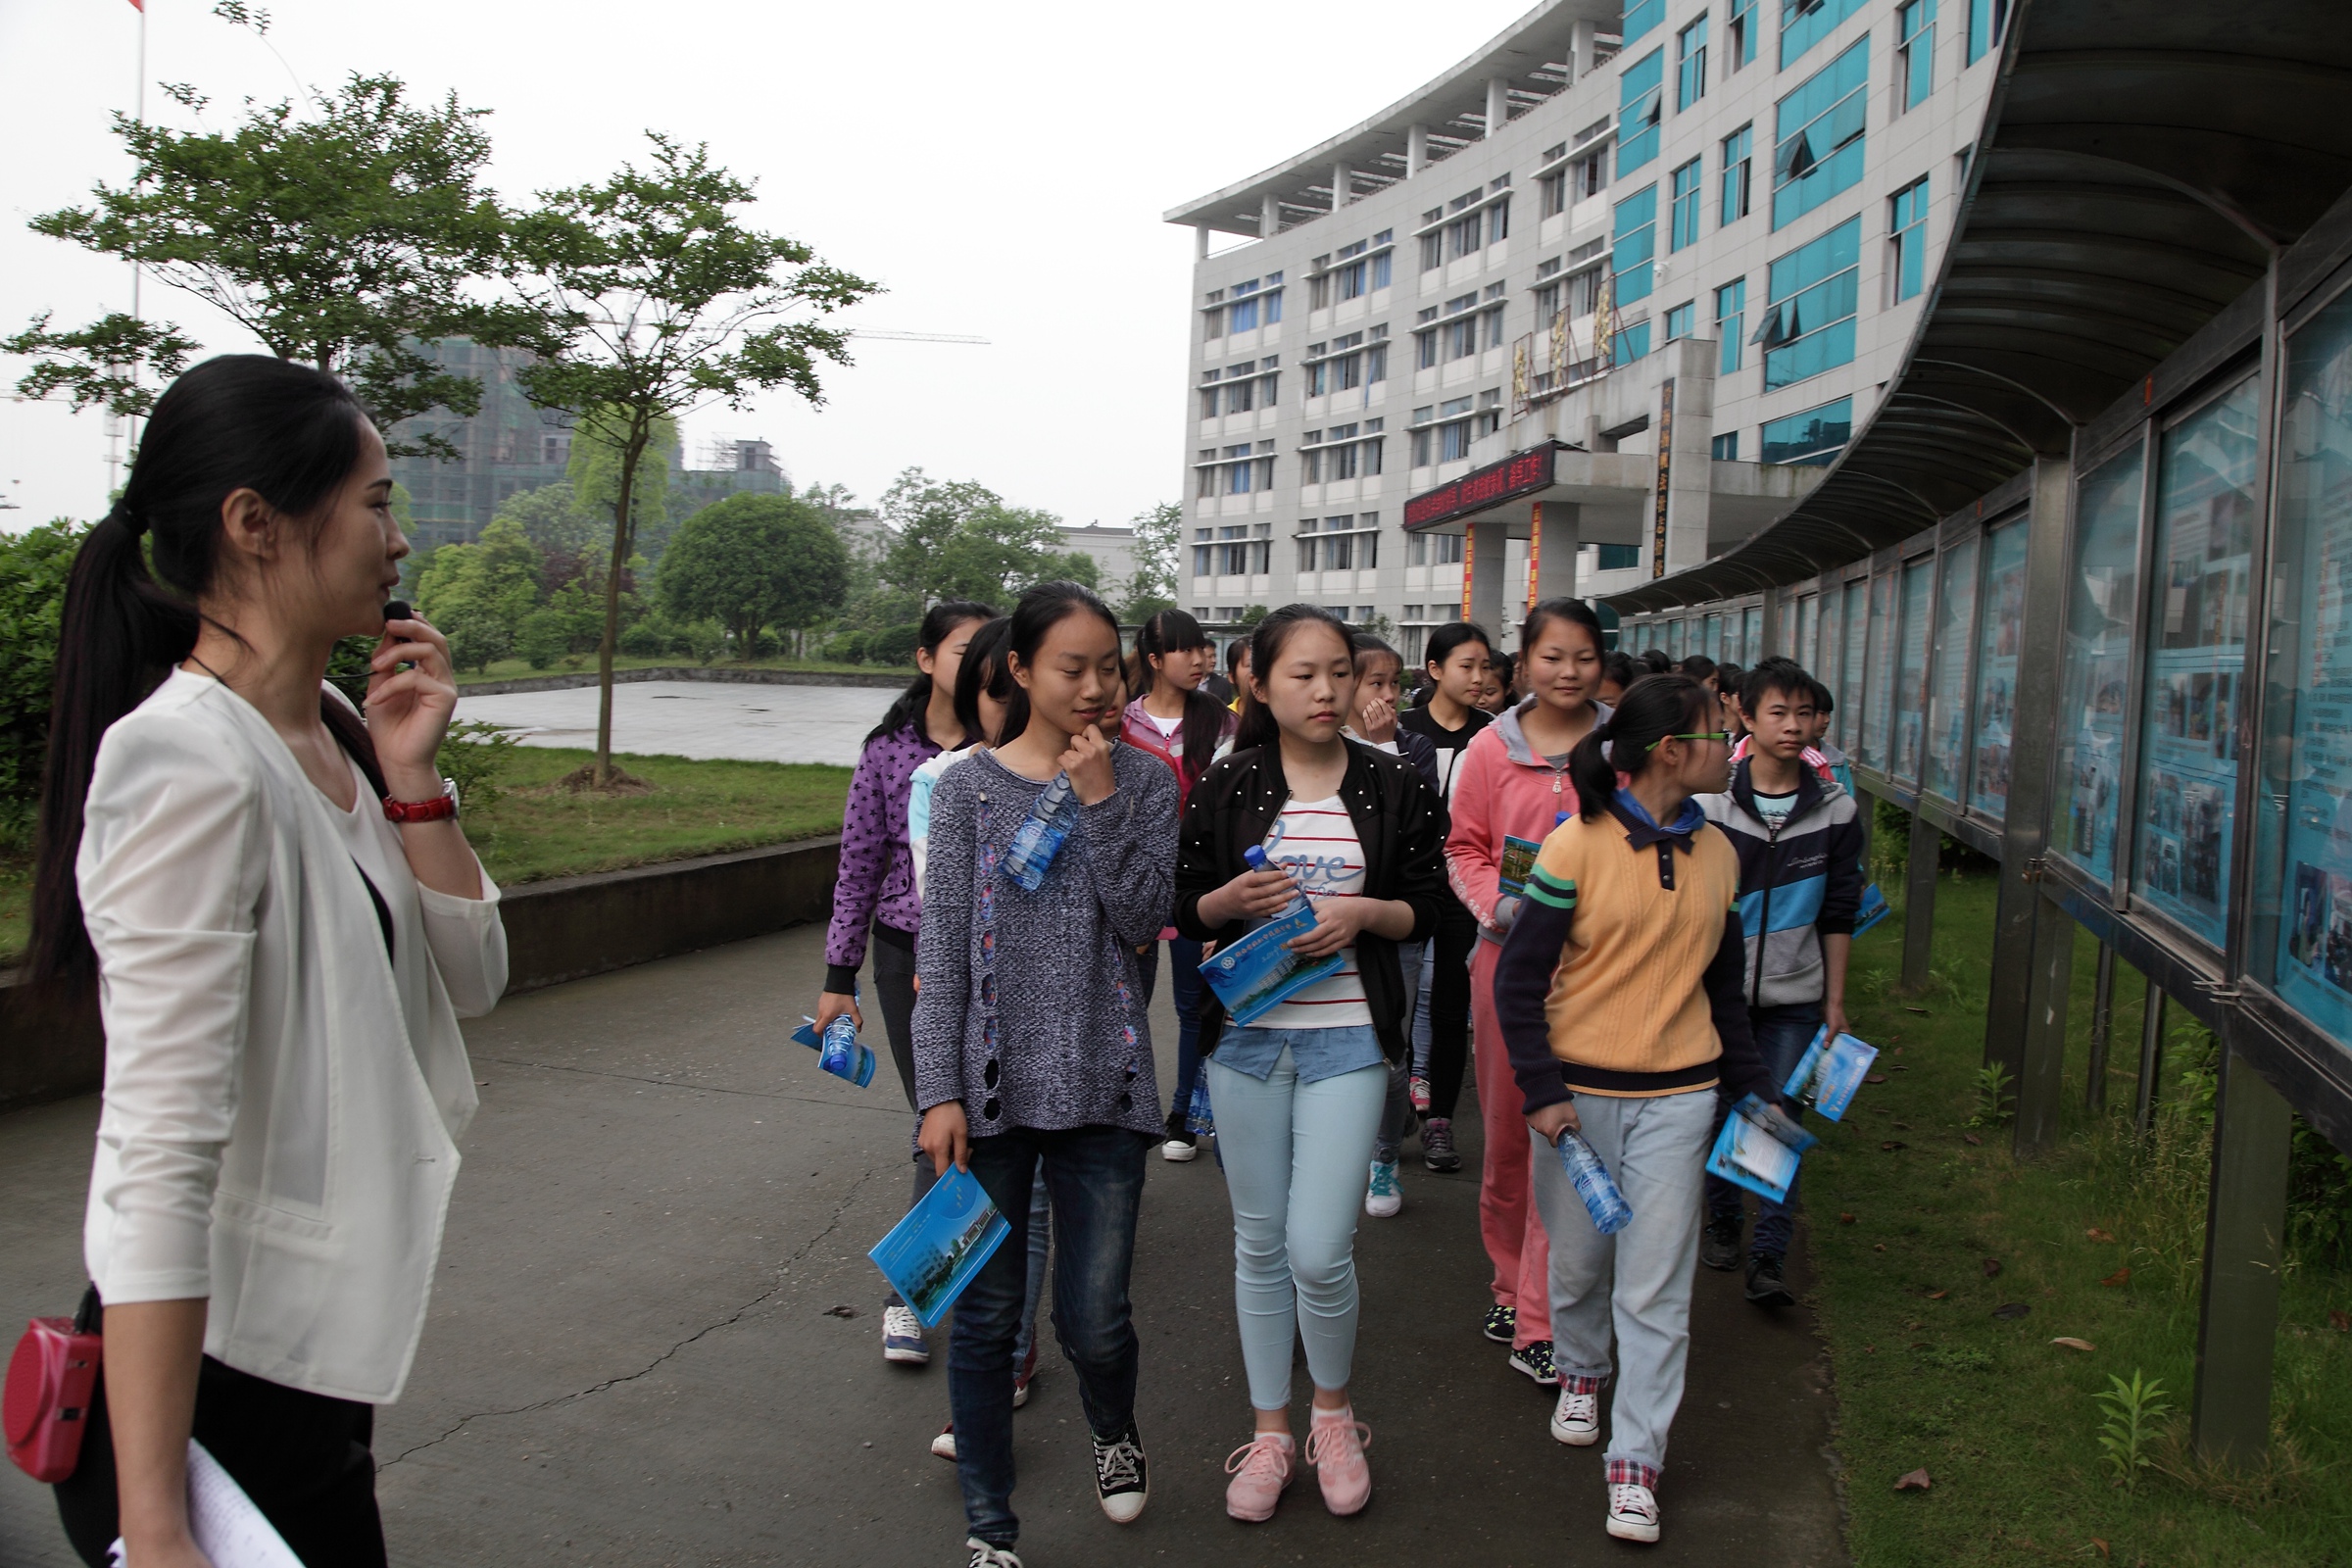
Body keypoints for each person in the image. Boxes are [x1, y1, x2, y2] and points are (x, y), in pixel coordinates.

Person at [31, 356, 508, 1567]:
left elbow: (473, 983)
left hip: (311, 1364)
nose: (398, 540)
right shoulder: (187, 761)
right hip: (212, 1382)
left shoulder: (340, 728)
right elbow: (156, 1150)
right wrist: (156, 1525)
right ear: (254, 522)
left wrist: (413, 777)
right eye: (375, 502)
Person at [913, 582, 1179, 1568]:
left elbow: (1143, 918)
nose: (1097, 686)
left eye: (1111, 667)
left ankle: (1114, 1428)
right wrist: (937, 1094)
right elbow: (942, 954)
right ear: (1021, 669)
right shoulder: (965, 790)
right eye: (1074, 667)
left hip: (1106, 1088)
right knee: (986, 1322)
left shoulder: (1146, 782)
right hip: (988, 1099)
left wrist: (1101, 797)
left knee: (1094, 1320)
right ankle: (991, 1526)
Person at [1493, 675, 1783, 1545]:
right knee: (1580, 1266)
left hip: (1680, 1099)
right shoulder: (1573, 847)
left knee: (1656, 1287)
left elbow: (1723, 994)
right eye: (1719, 734)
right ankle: (1582, 1370)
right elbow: (1518, 984)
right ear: (1670, 751)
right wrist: (1543, 1093)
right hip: (1577, 1106)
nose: (1732, 749)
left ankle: (1636, 1464)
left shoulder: (1722, 855)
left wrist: (1755, 1093)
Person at [1174, 605, 1447, 1524]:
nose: (1326, 691)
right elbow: (1184, 903)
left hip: (1349, 1039)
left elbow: (1429, 907)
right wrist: (1227, 899)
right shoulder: (1228, 782)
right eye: (1303, 674)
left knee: (1319, 1249)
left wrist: (1364, 915)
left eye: (1340, 671)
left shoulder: (1394, 782)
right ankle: (1271, 1431)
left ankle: (1334, 1415)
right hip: (1247, 1040)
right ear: (1257, 681)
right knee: (1259, 1244)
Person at [815, 598, 996, 1366]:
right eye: (962, 650)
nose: (979, 666)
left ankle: (984, 1286)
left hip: (995, 959)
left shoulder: (1007, 745)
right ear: (925, 659)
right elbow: (857, 866)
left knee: (991, 1120)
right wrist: (839, 976)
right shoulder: (888, 753)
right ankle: (912, 1297)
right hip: (906, 954)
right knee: (939, 1115)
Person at [1444, 598, 1609, 1386]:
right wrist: (1504, 909)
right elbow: (1463, 850)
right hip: (1508, 968)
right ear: (1524, 663)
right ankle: (1510, 1285)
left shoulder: (1622, 747)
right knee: (1511, 1137)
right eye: (1552, 656)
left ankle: (1543, 1316)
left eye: (1584, 656)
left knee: (1569, 1135)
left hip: (1601, 973)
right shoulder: (1488, 749)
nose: (1568, 671)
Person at [908, 620, 1054, 1462]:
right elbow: (942, 912)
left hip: (1060, 1036)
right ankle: (959, 1339)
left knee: (1029, 1208)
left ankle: (1007, 1360)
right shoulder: (946, 782)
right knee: (967, 1187)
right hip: (970, 1019)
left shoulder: (1093, 780)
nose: (1011, 707)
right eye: (996, 692)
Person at [1697, 662, 1863, 1305]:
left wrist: (1835, 1002)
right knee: (1720, 1108)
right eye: (1778, 712)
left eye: (1804, 714)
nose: (1793, 726)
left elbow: (1840, 912)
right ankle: (1723, 1219)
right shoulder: (1712, 804)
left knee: (1778, 1114)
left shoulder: (1836, 810)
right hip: (1719, 994)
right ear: (1747, 716)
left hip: (1797, 995)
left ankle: (1769, 1253)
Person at [1120, 610, 1238, 1161]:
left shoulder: (1222, 724)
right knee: (1125, 1007)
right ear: (1153, 659)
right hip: (1133, 883)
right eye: (1185, 650)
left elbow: (1229, 814)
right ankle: (1122, 1115)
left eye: (1202, 649)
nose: (1199, 660)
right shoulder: (1120, 721)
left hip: (1198, 886)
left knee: (1193, 1005)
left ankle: (1183, 1116)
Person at [1343, 633, 1441, 1217]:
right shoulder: (1323, 743)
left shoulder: (1413, 745)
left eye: (1394, 684)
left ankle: (1383, 1156)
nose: (1386, 695)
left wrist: (1384, 747)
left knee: (1389, 1047)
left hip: (1396, 921)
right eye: (1373, 682)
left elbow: (1420, 821)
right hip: (1331, 926)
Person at [1396, 622, 1493, 1172]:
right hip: (1411, 882)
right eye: (1466, 666)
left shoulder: (1494, 734)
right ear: (1434, 670)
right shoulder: (1404, 729)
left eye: (1485, 667)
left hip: (1465, 888)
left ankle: (1440, 1121)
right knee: (1401, 1000)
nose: (1478, 678)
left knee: (1452, 1007)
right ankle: (1399, 1104)